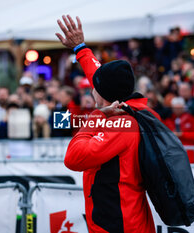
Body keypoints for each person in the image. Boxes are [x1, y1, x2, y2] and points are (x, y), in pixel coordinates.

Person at [56, 15, 156, 233]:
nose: (90, 88)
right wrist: (80, 48)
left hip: (119, 225)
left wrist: (94, 117)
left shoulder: (122, 125)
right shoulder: (127, 105)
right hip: (121, 220)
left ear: (101, 95)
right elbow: (100, 77)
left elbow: (73, 158)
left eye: (94, 87)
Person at [164, 97, 194, 163]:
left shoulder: (191, 119)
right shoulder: (168, 121)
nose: (177, 110)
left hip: (189, 155)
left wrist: (182, 134)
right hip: (174, 155)